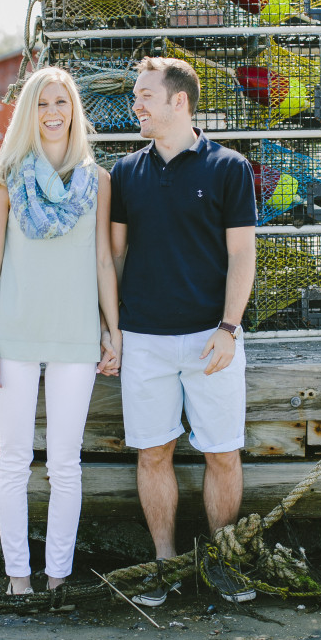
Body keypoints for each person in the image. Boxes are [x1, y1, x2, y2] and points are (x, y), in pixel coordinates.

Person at [108, 55, 257, 606]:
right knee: (153, 453)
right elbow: (115, 258)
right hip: (144, 341)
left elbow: (242, 255)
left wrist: (228, 327)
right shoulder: (125, 173)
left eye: (146, 94)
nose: (136, 104)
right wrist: (113, 329)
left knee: (222, 452)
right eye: (135, 95)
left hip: (209, 339)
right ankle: (164, 564)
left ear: (179, 101)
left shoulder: (227, 168)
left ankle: (223, 563)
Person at [0, 66, 121, 597]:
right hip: (13, 335)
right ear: (28, 113)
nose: (53, 113)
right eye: (42, 104)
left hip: (76, 337)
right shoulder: (4, 177)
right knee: (13, 459)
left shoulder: (97, 180)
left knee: (65, 462)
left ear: (74, 111)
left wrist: (113, 330)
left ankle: (57, 576)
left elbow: (104, 261)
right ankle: (18, 577)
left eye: (61, 103)